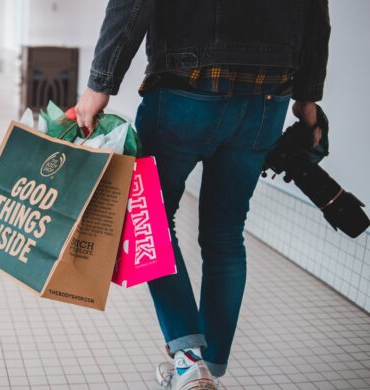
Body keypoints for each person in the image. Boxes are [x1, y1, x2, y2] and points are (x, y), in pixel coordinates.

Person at [76, 1, 330, 389]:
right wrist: (308, 101)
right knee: (226, 235)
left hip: (185, 88)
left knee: (153, 221)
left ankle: (190, 362)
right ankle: (210, 363)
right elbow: (315, 12)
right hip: (268, 97)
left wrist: (99, 85)